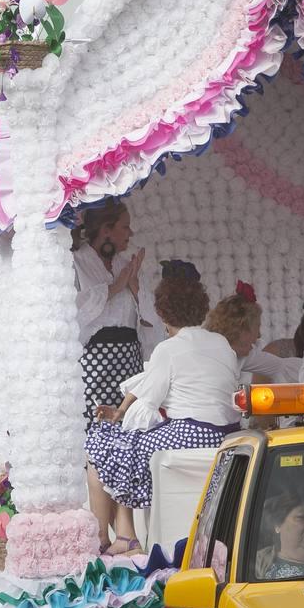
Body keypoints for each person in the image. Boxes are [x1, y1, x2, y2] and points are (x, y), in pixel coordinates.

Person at [85, 260, 240, 554]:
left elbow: (151, 399)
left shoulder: (168, 349)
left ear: (161, 312)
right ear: (201, 307)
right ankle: (123, 536)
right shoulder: (221, 342)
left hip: (190, 433)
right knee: (123, 444)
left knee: (102, 443)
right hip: (228, 434)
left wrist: (119, 414)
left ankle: (110, 539)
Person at [73, 202, 149, 428]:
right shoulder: (77, 262)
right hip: (95, 361)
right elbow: (74, 310)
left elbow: (148, 318)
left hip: (130, 361)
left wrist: (135, 288)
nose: (131, 233)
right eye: (125, 227)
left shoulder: (125, 265)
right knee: (94, 423)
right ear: (106, 230)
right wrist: (115, 286)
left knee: (128, 424)